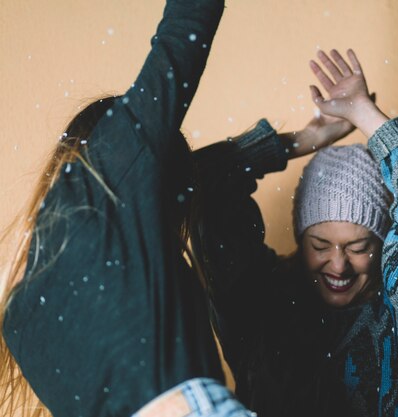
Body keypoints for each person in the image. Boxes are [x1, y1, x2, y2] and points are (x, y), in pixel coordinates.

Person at [0, 1, 260, 416]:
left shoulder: (21, 315)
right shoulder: (115, 159)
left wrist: (285, 143)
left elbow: (196, 177)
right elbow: (181, 38)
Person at [192, 48, 398, 417]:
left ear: (387, 242)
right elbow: (197, 186)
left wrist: (364, 113)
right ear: (300, 238)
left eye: (358, 246)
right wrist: (305, 139)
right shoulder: (263, 304)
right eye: (320, 245)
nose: (339, 265)